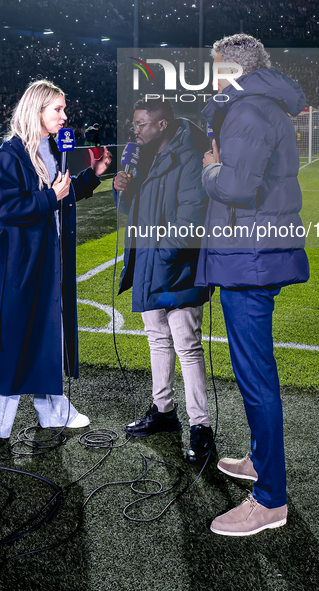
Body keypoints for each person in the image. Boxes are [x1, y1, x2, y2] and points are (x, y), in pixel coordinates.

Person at [196, 34, 309, 536]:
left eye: (215, 68)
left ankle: (269, 501)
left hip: (250, 257)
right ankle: (262, 465)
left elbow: (236, 186)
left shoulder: (247, 111)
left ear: (230, 69)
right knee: (255, 373)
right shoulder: (263, 106)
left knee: (256, 377)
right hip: (255, 253)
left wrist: (209, 172)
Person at [0, 79, 112, 448]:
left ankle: (55, 412)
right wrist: (52, 195)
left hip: (46, 260)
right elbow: (7, 210)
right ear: (37, 110)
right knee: (6, 340)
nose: (65, 116)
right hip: (16, 265)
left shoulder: (50, 149)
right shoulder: (9, 155)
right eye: (58, 109)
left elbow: (60, 198)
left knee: (47, 335)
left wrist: (92, 176)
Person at [114, 98, 213, 464]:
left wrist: (160, 257)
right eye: (134, 124)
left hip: (175, 268)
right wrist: (123, 188)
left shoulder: (190, 156)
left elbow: (191, 223)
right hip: (149, 265)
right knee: (157, 340)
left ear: (162, 125)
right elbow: (131, 211)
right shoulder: (144, 155)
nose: (135, 131)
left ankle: (201, 427)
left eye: (141, 124)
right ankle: (164, 411)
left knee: (186, 346)